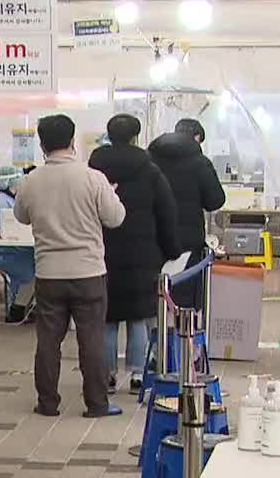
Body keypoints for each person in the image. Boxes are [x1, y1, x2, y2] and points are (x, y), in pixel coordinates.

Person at [15, 114, 127, 418]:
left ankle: (48, 403)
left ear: (41, 144)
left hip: (49, 272)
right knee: (92, 339)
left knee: (48, 340)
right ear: (72, 140)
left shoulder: (31, 180)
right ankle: (97, 403)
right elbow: (116, 218)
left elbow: (21, 216)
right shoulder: (92, 178)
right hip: (88, 271)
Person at [89, 113, 181, 394]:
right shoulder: (150, 170)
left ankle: (107, 375)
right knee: (139, 316)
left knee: (107, 317)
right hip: (143, 254)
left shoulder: (94, 170)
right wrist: (171, 250)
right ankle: (139, 374)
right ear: (135, 137)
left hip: (102, 250)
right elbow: (166, 212)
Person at [149, 117, 226, 308]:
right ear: (197, 137)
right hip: (188, 242)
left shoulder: (149, 159)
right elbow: (215, 200)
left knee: (155, 299)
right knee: (185, 299)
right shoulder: (201, 163)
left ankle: (156, 336)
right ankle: (182, 334)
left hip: (153, 237)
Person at [0, 164, 38, 323]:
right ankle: (17, 308)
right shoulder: (2, 203)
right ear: (9, 184)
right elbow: (4, 232)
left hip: (5, 250)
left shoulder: (9, 200)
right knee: (27, 264)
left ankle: (23, 305)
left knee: (32, 259)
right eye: (18, 183)